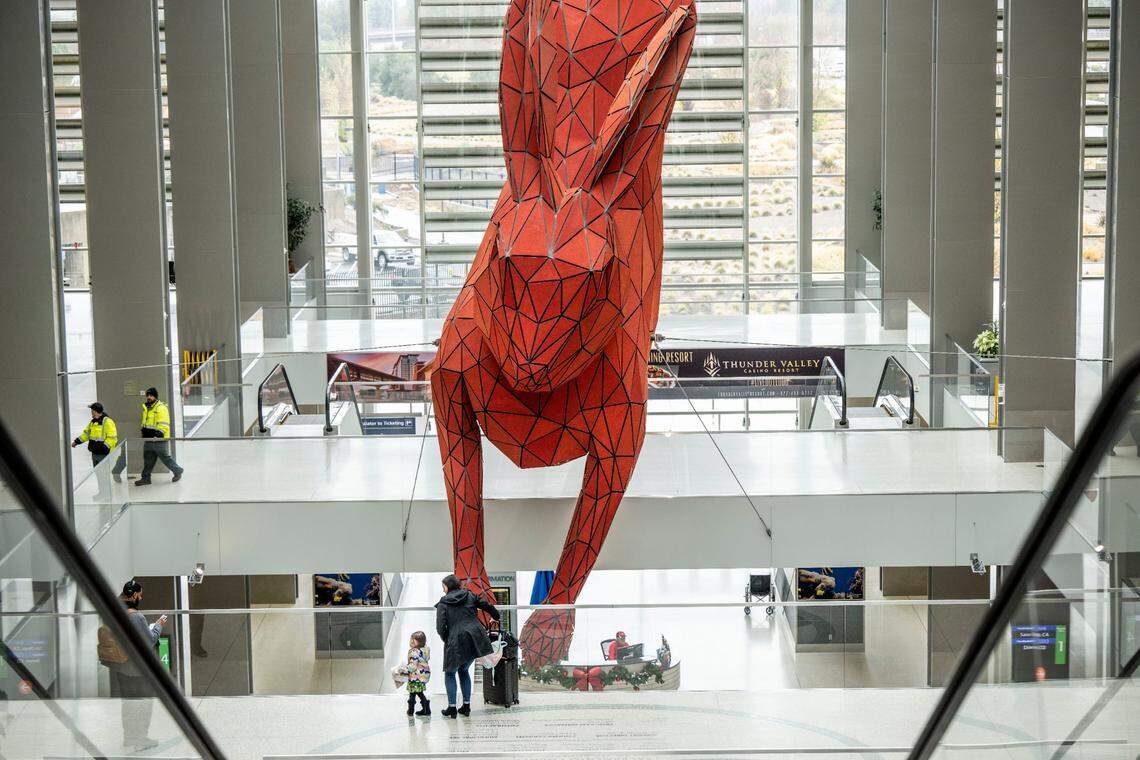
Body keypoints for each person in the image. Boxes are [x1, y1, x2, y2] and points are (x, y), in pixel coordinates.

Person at [98, 580, 167, 749]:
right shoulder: (136, 616)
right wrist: (158, 626)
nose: (141, 597)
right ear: (135, 595)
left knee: (128, 703)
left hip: (119, 665)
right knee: (143, 702)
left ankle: (129, 737)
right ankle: (140, 739)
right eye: (140, 594)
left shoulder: (113, 611)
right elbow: (149, 640)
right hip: (136, 668)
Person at [435, 574, 499, 718]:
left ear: (447, 587)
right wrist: (496, 615)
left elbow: (440, 627)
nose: (443, 589)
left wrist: (447, 637)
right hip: (475, 637)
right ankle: (466, 706)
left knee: (450, 673)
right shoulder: (470, 595)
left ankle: (452, 708)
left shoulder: (444, 602)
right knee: (464, 670)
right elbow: (487, 606)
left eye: (443, 586)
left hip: (455, 639)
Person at [134, 387, 183, 486]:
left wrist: (158, 434)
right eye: (147, 395)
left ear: (155, 396)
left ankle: (177, 471)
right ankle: (146, 478)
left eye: (151, 395)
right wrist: (144, 432)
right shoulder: (146, 408)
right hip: (148, 439)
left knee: (165, 457)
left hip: (159, 439)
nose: (149, 397)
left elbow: (164, 424)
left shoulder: (161, 408)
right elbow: (145, 423)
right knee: (148, 460)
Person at [71, 402, 118, 498]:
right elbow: (86, 434)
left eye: (92, 410)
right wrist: (77, 442)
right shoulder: (93, 422)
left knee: (104, 475)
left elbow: (112, 438)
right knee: (99, 475)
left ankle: (107, 495)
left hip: (104, 454)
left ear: (96, 411)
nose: (91, 412)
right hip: (95, 453)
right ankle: (102, 493)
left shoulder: (108, 422)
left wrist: (104, 447)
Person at [405, 631, 431, 716]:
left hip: (415, 677)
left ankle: (410, 710)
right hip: (422, 676)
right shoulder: (424, 651)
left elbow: (413, 665)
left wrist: (405, 669)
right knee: (420, 693)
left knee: (412, 694)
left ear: (420, 642)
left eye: (413, 640)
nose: (411, 642)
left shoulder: (414, 652)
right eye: (411, 640)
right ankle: (426, 709)